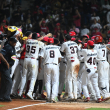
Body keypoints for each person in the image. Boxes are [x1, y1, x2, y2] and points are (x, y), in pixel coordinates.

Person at [39, 38, 62, 102]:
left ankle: (48, 97)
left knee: (47, 82)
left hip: (47, 65)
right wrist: (56, 63)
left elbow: (40, 57)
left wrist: (39, 66)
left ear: (48, 42)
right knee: (55, 82)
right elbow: (60, 59)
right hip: (55, 65)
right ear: (53, 42)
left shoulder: (44, 47)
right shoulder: (56, 48)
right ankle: (53, 97)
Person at [60, 34, 80, 101]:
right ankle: (75, 95)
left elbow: (61, 53)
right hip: (77, 60)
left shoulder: (65, 43)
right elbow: (78, 51)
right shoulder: (75, 43)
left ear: (65, 38)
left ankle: (70, 95)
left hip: (71, 61)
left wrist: (66, 52)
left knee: (69, 78)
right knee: (75, 79)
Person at [0, 37, 17, 102]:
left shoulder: (12, 47)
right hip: (5, 67)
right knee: (9, 82)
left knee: (4, 82)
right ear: (10, 42)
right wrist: (6, 62)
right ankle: (6, 96)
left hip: (8, 67)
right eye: (14, 42)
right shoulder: (7, 47)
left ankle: (1, 97)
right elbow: (1, 54)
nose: (15, 43)